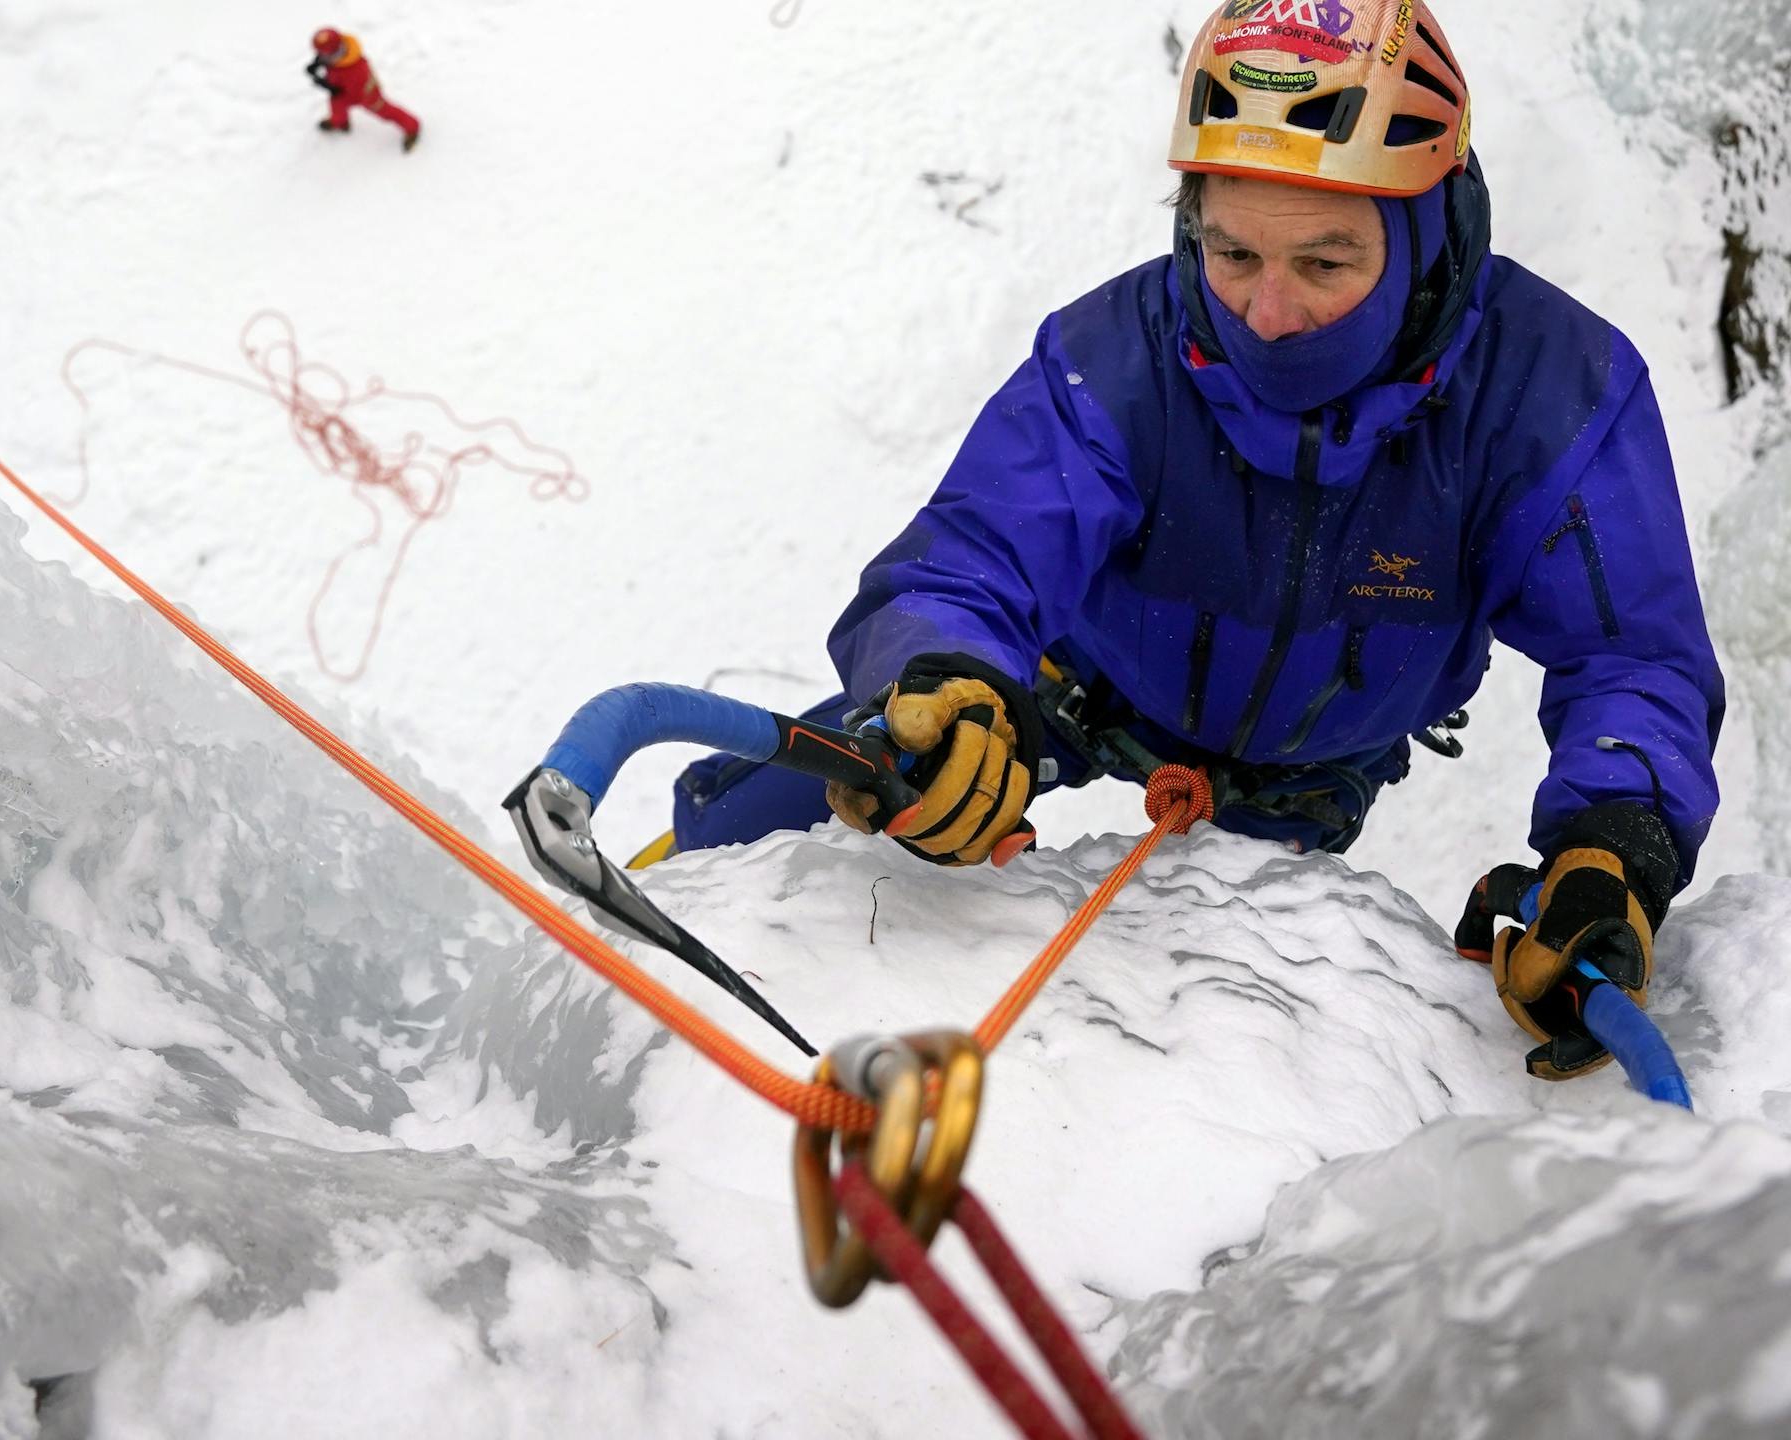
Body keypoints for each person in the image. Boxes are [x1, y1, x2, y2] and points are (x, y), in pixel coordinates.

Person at [666, 0, 1723, 1082]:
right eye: (1230, 252)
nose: (1266, 311)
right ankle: (656, 896)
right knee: (835, 774)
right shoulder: (1116, 359)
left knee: (1201, 1032)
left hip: (1311, 769)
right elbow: (970, 557)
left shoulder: (1549, 393)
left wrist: (1614, 845)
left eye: (1324, 264)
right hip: (1074, 681)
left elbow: (1630, 654)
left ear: (1423, 236)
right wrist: (948, 676)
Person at [307, 28, 421, 151]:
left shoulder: (356, 70)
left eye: (327, 56)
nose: (324, 59)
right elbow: (327, 60)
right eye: (321, 55)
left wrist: (327, 85)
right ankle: (339, 123)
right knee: (337, 106)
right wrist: (317, 63)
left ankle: (412, 127)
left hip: (367, 95)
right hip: (342, 91)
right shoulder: (337, 58)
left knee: (385, 111)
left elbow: (348, 91)